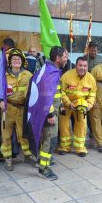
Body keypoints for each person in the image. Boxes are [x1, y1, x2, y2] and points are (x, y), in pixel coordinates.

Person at [0, 48, 35, 171]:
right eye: (13, 59)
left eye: (18, 59)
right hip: (7, 109)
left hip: (22, 110)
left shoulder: (28, 75)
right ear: (9, 61)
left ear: (22, 61)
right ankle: (7, 158)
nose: (16, 61)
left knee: (23, 134)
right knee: (6, 135)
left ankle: (27, 155)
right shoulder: (3, 76)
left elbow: (33, 93)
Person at [36, 46, 68, 180]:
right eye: (65, 56)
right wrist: (50, 114)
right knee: (51, 140)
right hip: (48, 114)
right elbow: (45, 95)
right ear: (58, 58)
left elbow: (55, 92)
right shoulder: (50, 72)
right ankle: (43, 168)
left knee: (47, 139)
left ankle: (42, 161)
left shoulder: (52, 70)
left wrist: (60, 105)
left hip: (53, 111)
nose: (67, 59)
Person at [58, 56, 96, 157]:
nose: (82, 68)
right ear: (76, 66)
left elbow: (92, 95)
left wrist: (88, 105)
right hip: (67, 104)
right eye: (80, 65)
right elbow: (60, 91)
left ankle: (80, 147)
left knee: (82, 125)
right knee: (64, 125)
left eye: (84, 66)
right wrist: (68, 103)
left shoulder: (91, 79)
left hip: (81, 106)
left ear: (87, 66)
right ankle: (65, 147)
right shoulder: (67, 76)